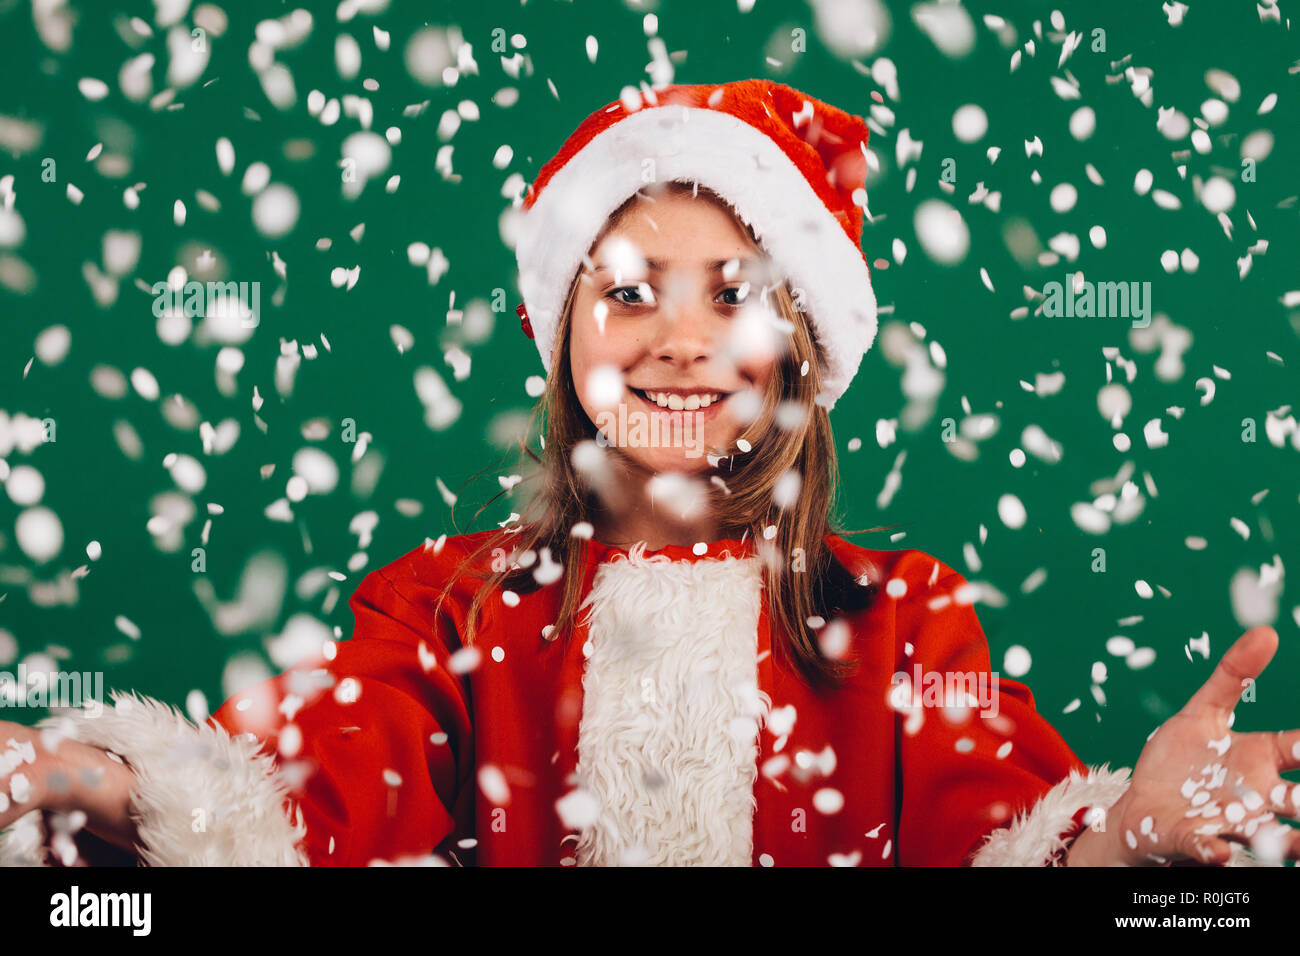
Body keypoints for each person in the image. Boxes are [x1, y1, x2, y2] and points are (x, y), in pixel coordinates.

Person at [1, 79, 1295, 868]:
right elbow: (295, 801)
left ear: (799, 343)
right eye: (625, 294)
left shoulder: (905, 619)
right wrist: (78, 781)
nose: (679, 340)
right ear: (563, 338)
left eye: (733, 297)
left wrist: (1130, 835)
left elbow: (1004, 834)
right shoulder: (448, 612)